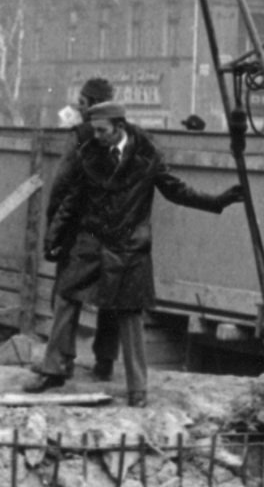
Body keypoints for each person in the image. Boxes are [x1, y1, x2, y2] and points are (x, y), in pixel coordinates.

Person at [25, 99, 246, 405]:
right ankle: (54, 370)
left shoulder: (147, 155)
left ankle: (137, 390)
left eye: (102, 130)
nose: (97, 136)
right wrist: (54, 237)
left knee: (130, 313)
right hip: (91, 239)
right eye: (95, 130)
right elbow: (73, 200)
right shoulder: (89, 153)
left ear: (119, 126)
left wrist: (217, 201)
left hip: (129, 245)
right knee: (66, 294)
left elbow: (176, 190)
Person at [44, 75, 122, 381]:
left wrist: (54, 227)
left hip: (81, 230)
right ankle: (105, 362)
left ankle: (61, 363)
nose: (77, 104)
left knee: (67, 291)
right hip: (117, 232)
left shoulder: (80, 135)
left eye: (82, 99)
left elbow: (63, 185)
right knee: (112, 297)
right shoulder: (127, 135)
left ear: (90, 104)